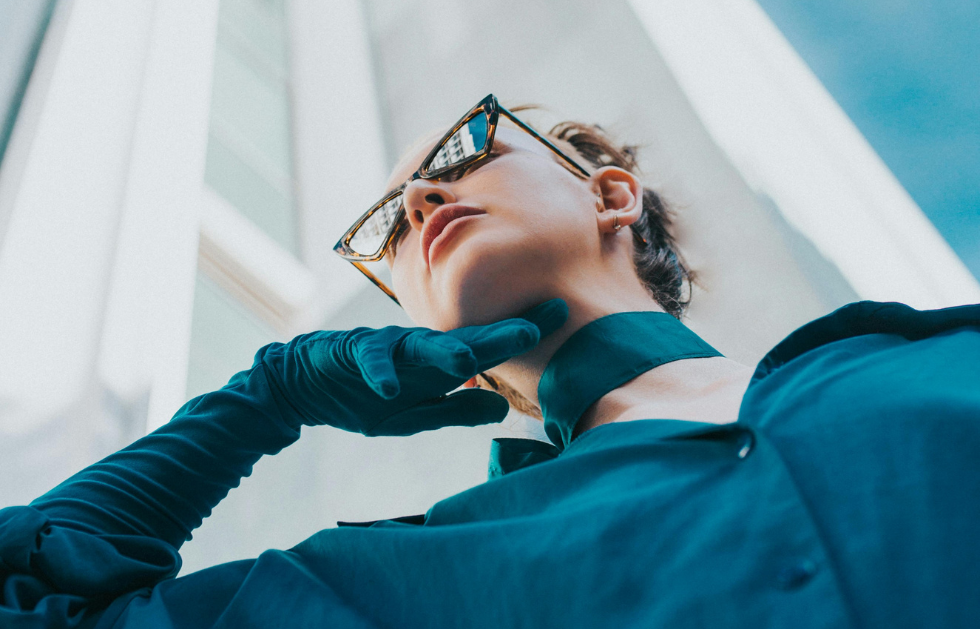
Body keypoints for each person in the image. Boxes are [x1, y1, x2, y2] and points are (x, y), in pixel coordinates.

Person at [2, 93, 979, 628]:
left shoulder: (947, 355)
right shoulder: (381, 584)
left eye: (464, 151)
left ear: (610, 193)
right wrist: (267, 391)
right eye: (390, 223)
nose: (422, 203)